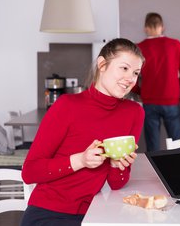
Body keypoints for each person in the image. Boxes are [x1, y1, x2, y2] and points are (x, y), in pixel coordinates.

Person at [20, 38, 145, 226]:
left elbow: (117, 183)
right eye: (124, 68)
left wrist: (116, 164)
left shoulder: (134, 112)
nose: (130, 79)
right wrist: (81, 160)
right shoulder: (66, 105)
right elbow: (30, 172)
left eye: (136, 73)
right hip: (49, 212)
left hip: (94, 213)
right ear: (102, 64)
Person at [133, 12, 180, 152]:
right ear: (162, 27)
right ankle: (179, 174)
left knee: (153, 147)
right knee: (178, 145)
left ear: (146, 28)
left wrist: (141, 92)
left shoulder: (139, 47)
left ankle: (154, 173)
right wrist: (174, 88)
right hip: (171, 101)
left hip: (149, 103)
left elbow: (131, 78)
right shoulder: (175, 44)